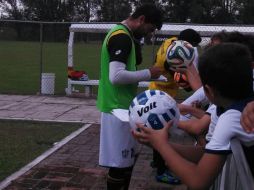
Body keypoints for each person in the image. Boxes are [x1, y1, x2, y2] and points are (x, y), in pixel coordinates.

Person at [132, 43, 254, 189]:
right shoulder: (231, 106)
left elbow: (198, 182)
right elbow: (205, 153)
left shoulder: (231, 118)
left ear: (208, 91)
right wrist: (160, 144)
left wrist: (162, 146)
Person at [96, 4, 163, 190]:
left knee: (126, 161)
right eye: (150, 29)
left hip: (122, 107)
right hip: (117, 109)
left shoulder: (124, 34)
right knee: (120, 165)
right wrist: (149, 73)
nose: (150, 33)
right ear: (141, 19)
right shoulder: (122, 37)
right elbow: (116, 77)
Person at [147, 28, 201, 184]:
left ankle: (157, 162)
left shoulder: (170, 41)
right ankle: (161, 171)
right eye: (192, 45)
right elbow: (181, 76)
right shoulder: (177, 53)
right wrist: (195, 87)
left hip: (156, 89)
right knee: (163, 130)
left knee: (159, 128)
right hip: (162, 94)